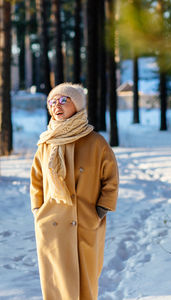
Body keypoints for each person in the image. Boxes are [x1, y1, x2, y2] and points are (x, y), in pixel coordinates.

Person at [30, 82, 119, 300]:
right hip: (52, 222)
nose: (56, 106)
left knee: (86, 278)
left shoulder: (95, 142)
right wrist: (38, 209)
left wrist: (102, 207)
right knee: (56, 281)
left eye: (63, 100)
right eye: (52, 102)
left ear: (77, 105)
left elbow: (110, 177)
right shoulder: (46, 143)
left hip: (85, 219)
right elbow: (37, 180)